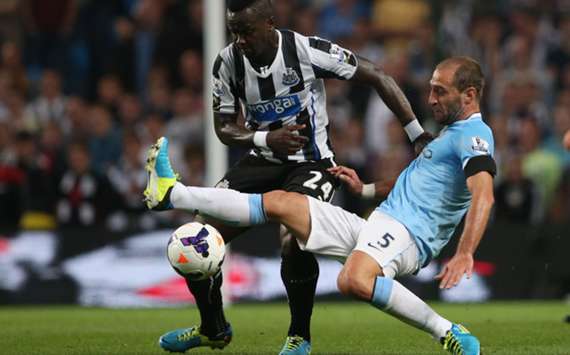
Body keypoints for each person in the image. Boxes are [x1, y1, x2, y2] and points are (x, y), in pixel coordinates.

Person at [145, 56, 493, 355]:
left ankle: (447, 331)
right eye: (431, 88)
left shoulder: (473, 138)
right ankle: (172, 193)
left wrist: (465, 252)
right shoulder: (449, 134)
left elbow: (484, 194)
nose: (430, 98)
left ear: (470, 95)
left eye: (440, 91)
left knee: (353, 280)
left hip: (408, 237)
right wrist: (367, 189)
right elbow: (416, 185)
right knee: (283, 203)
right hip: (379, 225)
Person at [151, 0, 431, 354]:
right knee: (197, 236)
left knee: (293, 237)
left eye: (246, 32)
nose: (240, 40)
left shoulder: (306, 50)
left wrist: (417, 133)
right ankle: (213, 328)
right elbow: (223, 127)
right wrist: (266, 138)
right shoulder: (227, 62)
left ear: (269, 24)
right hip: (261, 160)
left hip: (312, 163)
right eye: (234, 32)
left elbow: (377, 74)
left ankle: (300, 335)